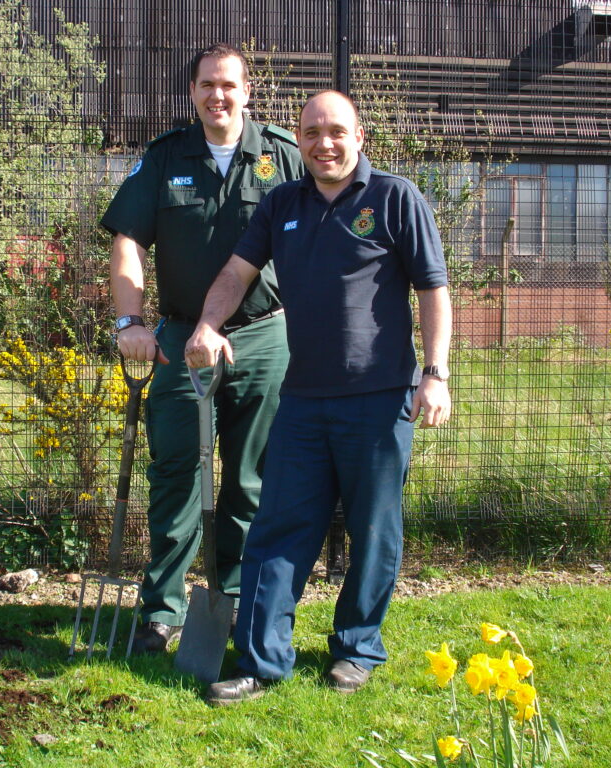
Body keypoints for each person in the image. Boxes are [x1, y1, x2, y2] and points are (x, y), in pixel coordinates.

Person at [184, 90, 452, 703]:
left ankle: (357, 649)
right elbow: (235, 273)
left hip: (380, 399)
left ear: (360, 137)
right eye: (310, 133)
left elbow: (434, 291)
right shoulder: (282, 203)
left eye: (336, 131)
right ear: (298, 141)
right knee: (278, 528)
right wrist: (208, 325)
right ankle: (260, 660)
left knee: (373, 530)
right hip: (302, 401)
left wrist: (435, 374)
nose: (323, 143)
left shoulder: (395, 198)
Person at [100, 43, 304, 654]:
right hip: (178, 342)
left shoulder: (284, 156)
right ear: (192, 93)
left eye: (230, 85)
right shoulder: (165, 158)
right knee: (175, 476)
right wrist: (130, 322)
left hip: (264, 336)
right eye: (208, 85)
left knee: (250, 480)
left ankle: (237, 601)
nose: (219, 95)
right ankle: (161, 609)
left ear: (248, 93)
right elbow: (129, 242)